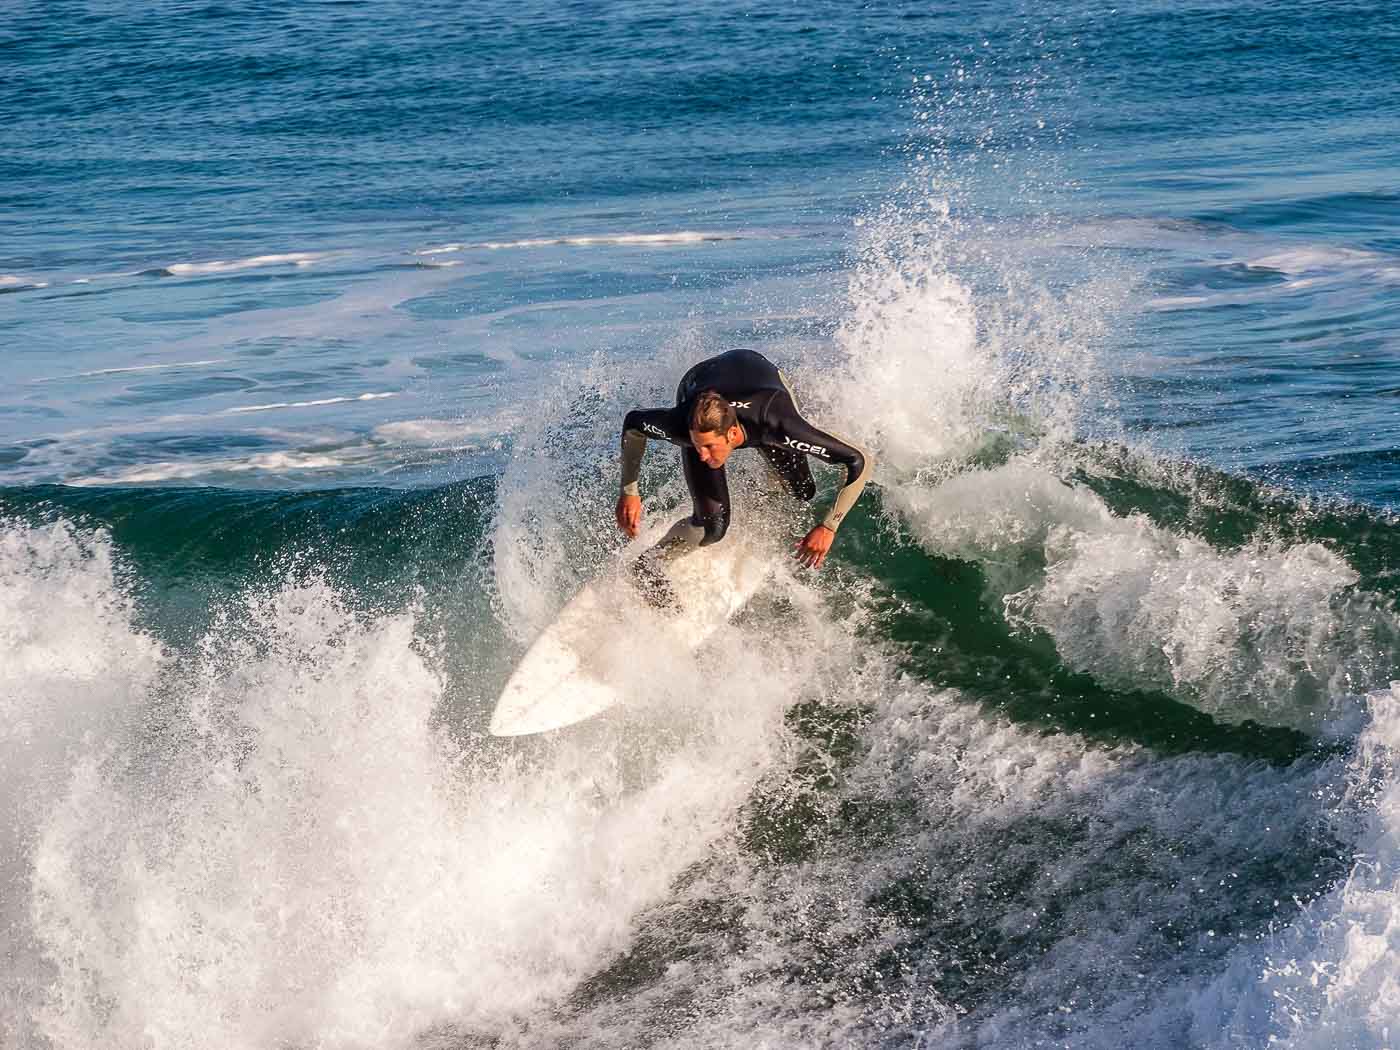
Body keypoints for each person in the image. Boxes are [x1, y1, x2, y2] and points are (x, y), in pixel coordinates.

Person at [615, 348, 873, 577]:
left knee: (803, 491)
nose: (702, 455)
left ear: (732, 435)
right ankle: (649, 563)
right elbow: (634, 424)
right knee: (713, 527)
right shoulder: (683, 425)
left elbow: (858, 462)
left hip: (760, 376)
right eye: (697, 445)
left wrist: (829, 526)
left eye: (709, 447)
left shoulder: (778, 425)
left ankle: (771, 473)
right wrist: (629, 491)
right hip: (699, 380)